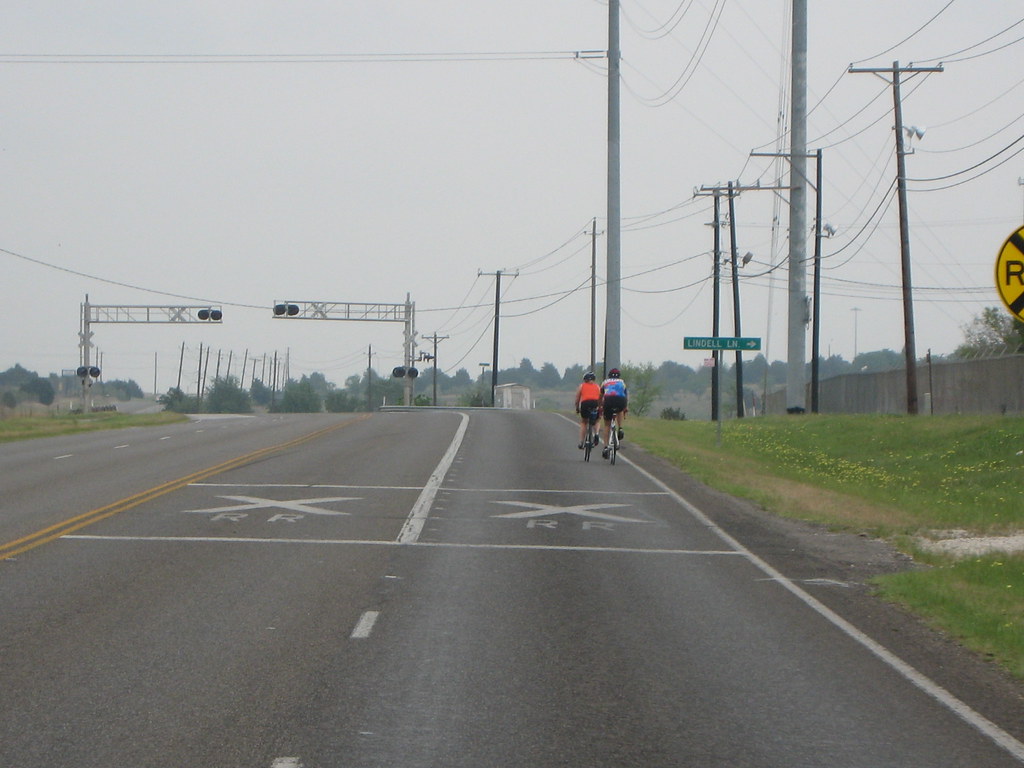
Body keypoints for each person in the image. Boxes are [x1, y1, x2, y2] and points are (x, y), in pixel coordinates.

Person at [599, 368, 628, 458]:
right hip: (621, 400)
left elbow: (600, 396)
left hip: (609, 400)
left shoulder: (605, 382)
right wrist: (625, 408)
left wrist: (600, 406)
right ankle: (620, 428)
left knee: (607, 425)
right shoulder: (622, 382)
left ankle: (606, 447)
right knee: (619, 410)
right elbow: (626, 395)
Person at [573, 372, 602, 449]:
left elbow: (577, 399)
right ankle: (596, 434)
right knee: (597, 420)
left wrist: (577, 408)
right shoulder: (597, 387)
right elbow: (601, 398)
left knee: (584, 422)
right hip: (595, 403)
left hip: (585, 403)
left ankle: (581, 442)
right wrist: (600, 407)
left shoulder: (582, 386)